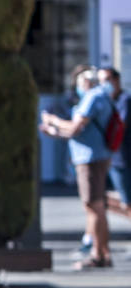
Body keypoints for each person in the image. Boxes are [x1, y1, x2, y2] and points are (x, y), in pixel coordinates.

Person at [42, 66, 115, 269]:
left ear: (85, 83)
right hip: (94, 155)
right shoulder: (102, 96)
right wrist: (55, 132)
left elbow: (76, 127)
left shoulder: (93, 97)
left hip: (90, 158)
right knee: (95, 206)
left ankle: (98, 253)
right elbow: (78, 132)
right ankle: (102, 252)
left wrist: (53, 121)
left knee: (94, 206)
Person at [97, 67, 131, 222]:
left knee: (127, 202)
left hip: (123, 158)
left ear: (116, 80)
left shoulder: (125, 100)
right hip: (114, 157)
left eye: (106, 80)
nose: (103, 84)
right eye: (100, 81)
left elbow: (120, 125)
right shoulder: (109, 100)